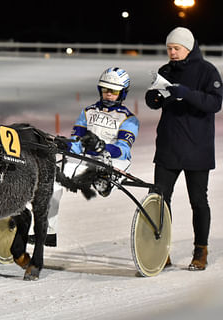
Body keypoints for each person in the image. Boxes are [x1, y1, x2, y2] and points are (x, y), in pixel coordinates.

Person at [29, 67, 139, 247]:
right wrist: (64, 144)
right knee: (54, 182)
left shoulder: (129, 119)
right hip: (87, 157)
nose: (108, 94)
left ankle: (105, 179)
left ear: (122, 93)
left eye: (113, 91)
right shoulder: (87, 112)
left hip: (115, 159)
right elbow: (77, 141)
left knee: (106, 164)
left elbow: (124, 148)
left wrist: (103, 148)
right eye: (105, 90)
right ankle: (48, 233)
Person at [145, 27, 222, 271]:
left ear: (188, 47)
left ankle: (201, 250)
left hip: (197, 148)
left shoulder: (207, 70)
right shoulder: (165, 71)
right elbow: (158, 99)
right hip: (168, 146)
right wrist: (154, 99)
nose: (172, 52)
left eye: (176, 48)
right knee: (160, 200)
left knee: (198, 201)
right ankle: (161, 250)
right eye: (169, 48)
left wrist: (187, 94)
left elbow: (215, 103)